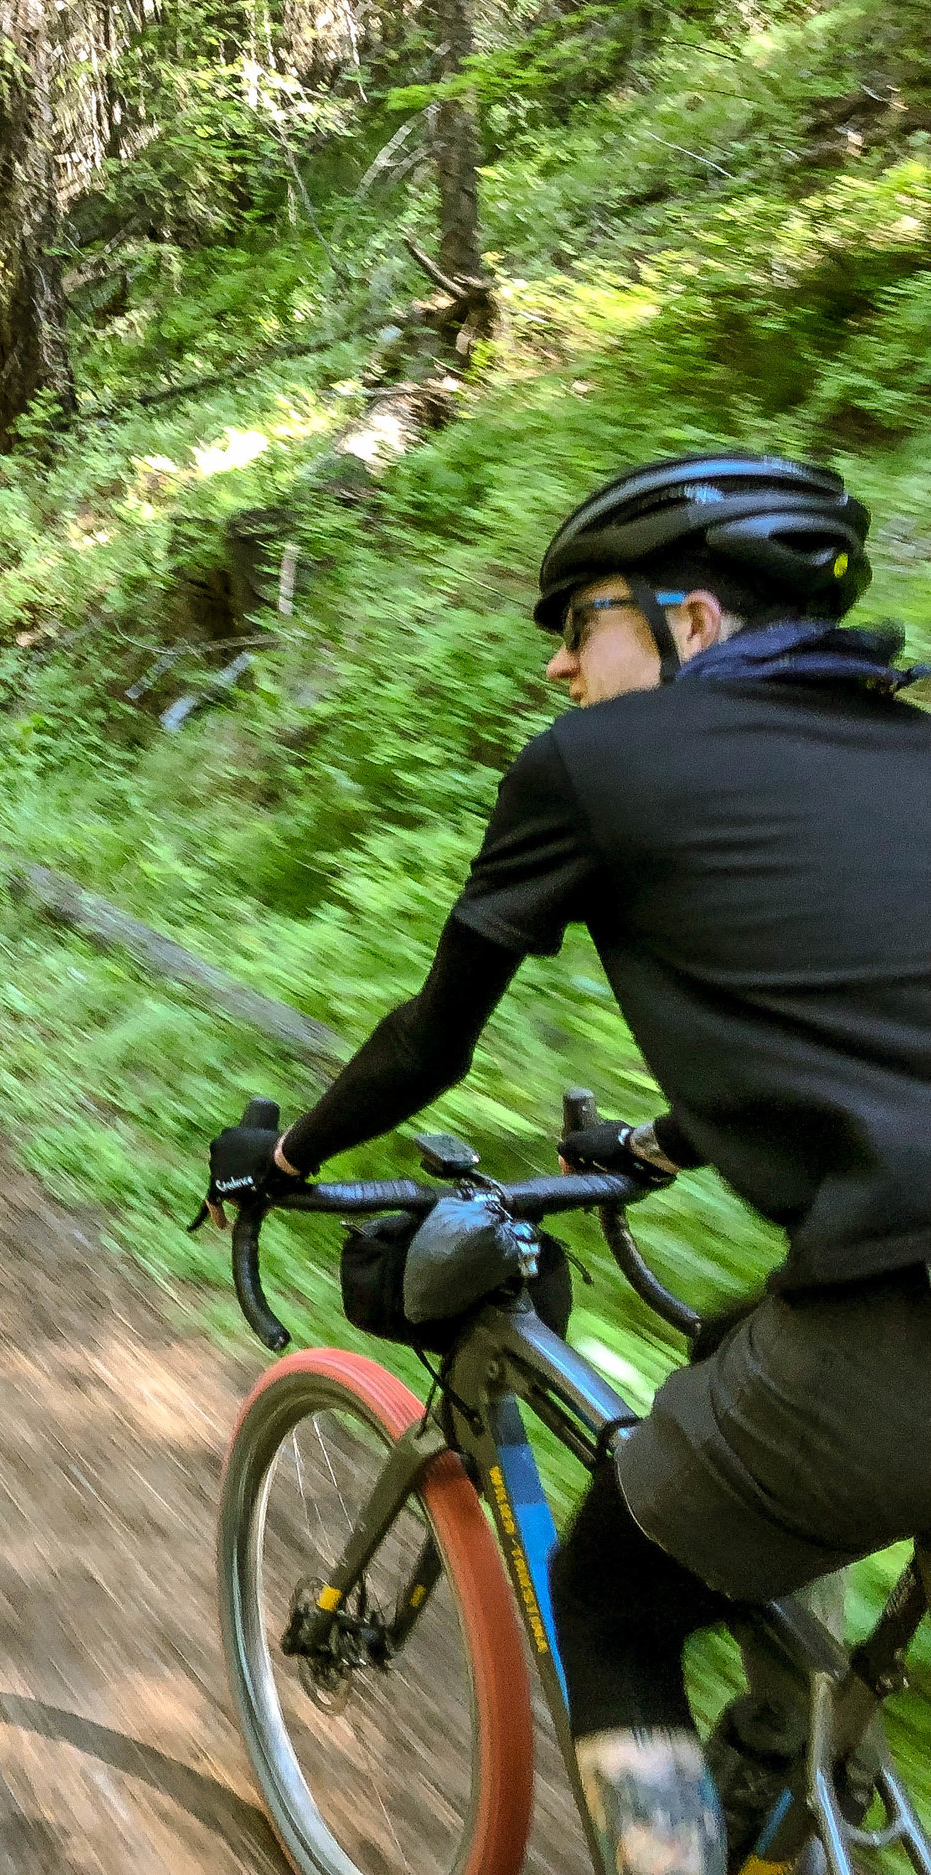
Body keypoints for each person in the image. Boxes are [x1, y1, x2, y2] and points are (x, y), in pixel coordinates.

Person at [201, 453, 931, 1875]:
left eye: (580, 620)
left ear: (693, 622)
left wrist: (280, 1154)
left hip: (903, 1320)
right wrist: (662, 1144)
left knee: (609, 1600)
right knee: (748, 1353)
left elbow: (431, 1042)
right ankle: (786, 1779)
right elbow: (858, 1023)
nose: (556, 666)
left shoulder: (598, 768)